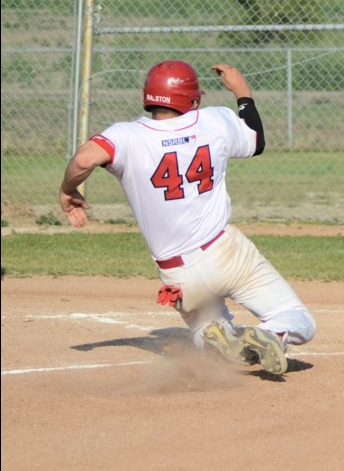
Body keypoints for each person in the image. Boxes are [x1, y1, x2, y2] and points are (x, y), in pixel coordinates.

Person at [59, 60, 316, 374]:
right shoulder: (214, 121)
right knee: (296, 318)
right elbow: (255, 141)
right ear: (192, 99)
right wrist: (242, 92)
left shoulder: (126, 136)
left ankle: (211, 338)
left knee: (204, 331)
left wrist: (68, 189)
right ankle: (270, 334)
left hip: (176, 275)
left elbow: (85, 159)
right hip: (227, 253)